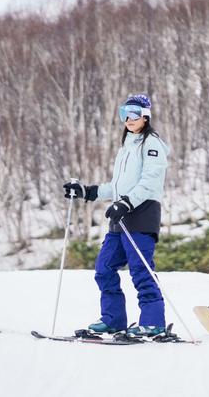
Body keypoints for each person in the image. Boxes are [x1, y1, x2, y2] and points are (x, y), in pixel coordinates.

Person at [63, 94, 170, 337]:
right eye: (124, 113)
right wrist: (88, 192)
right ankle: (114, 320)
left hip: (141, 214)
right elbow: (117, 186)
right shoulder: (126, 147)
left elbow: (149, 181)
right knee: (104, 268)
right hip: (121, 216)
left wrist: (127, 203)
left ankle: (153, 322)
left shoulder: (151, 144)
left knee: (140, 269)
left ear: (145, 116)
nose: (128, 119)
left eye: (133, 113)